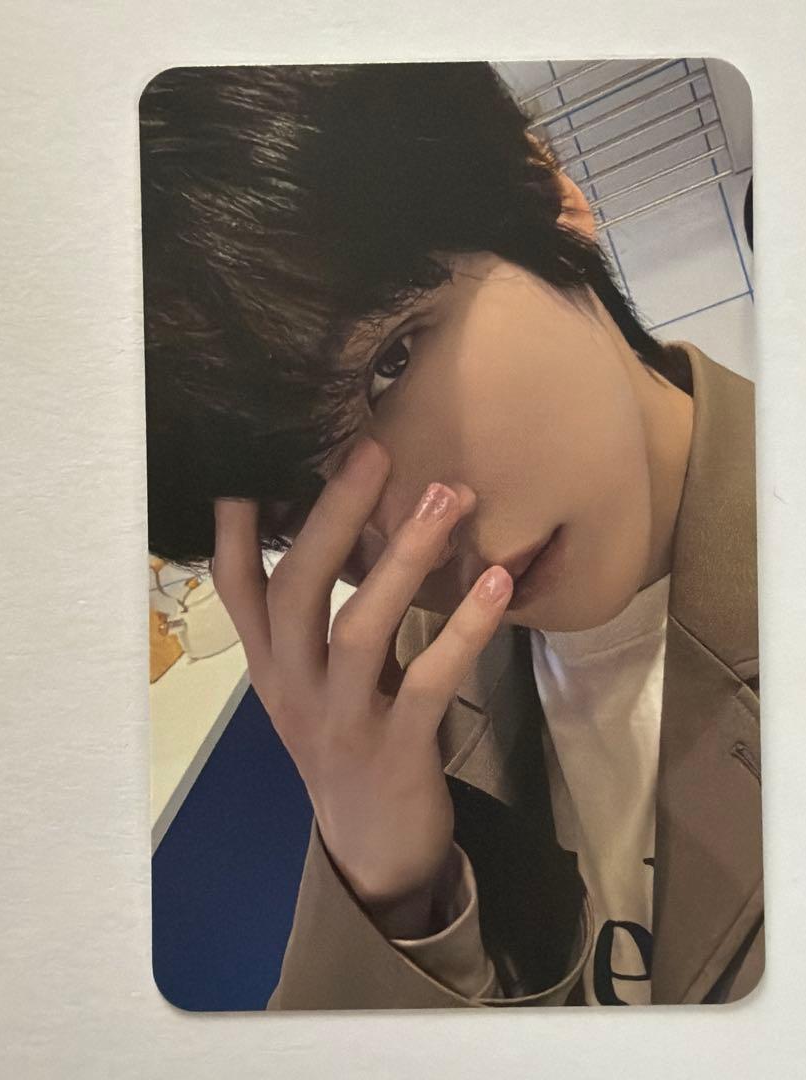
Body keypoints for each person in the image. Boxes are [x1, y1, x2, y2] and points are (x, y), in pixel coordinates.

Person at [141, 61, 762, 1008]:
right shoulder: (404, 701)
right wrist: (394, 895)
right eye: (297, 512)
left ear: (543, 197)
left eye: (391, 363)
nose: (412, 536)